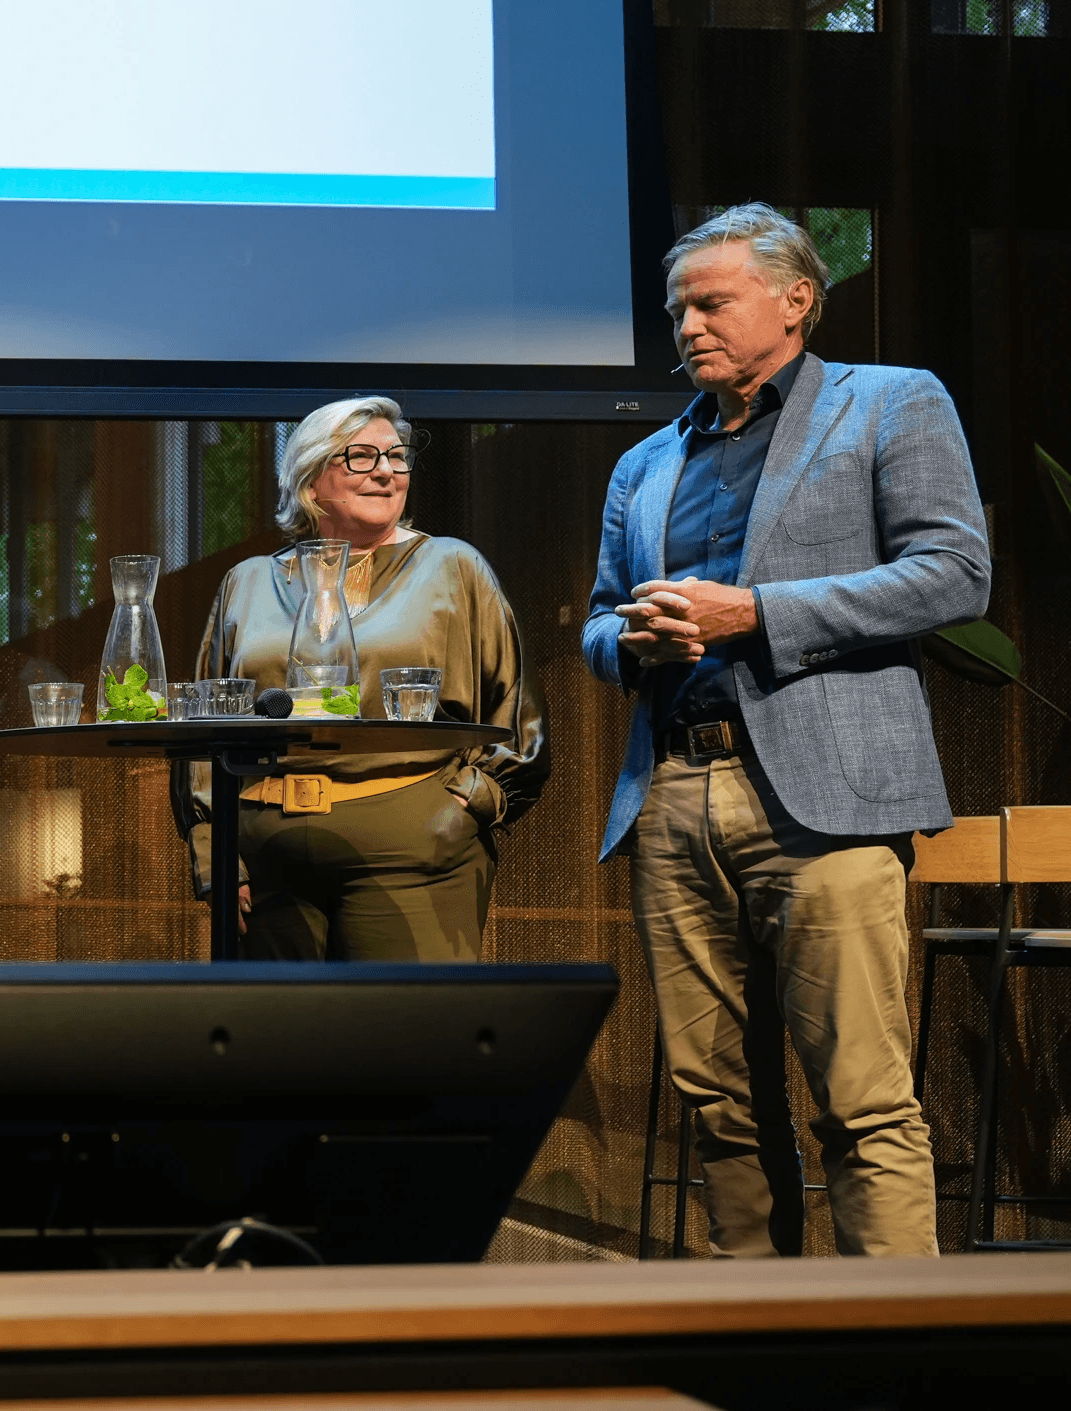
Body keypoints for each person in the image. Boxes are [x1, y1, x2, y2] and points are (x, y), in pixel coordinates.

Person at [582, 204, 991, 1258]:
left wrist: (755, 615)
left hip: (825, 794)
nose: (688, 325)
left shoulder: (891, 403)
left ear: (796, 299)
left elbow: (952, 573)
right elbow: (593, 618)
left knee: (861, 1097)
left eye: (712, 301)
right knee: (716, 1102)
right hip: (675, 790)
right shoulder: (643, 462)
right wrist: (633, 645)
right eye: (680, 307)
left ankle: (895, 1350)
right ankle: (752, 1337)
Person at [174, 395, 549, 962]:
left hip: (412, 853)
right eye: (360, 457)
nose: (385, 471)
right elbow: (204, 724)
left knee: (406, 1042)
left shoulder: (454, 568)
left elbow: (516, 710)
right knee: (276, 1045)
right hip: (264, 861)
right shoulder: (245, 583)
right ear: (310, 480)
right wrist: (213, 848)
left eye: (397, 458)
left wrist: (465, 806)